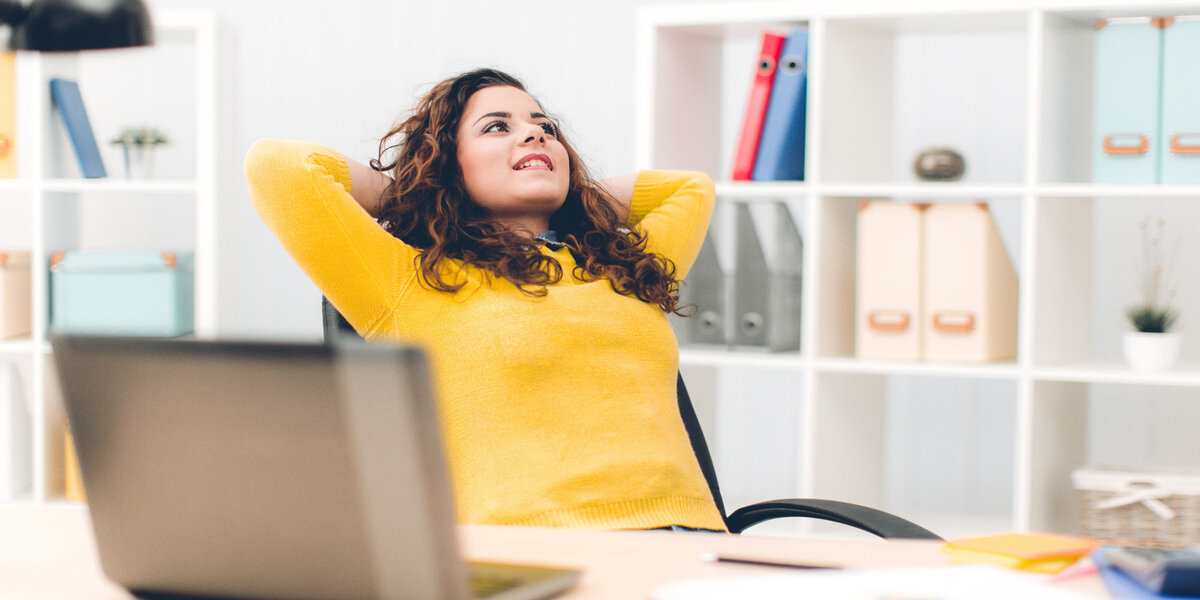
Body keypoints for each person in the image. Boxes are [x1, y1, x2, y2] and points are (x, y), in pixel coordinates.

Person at [245, 68, 724, 532]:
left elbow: (691, 188)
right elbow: (279, 168)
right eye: (497, 127)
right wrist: (419, 194)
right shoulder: (414, 282)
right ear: (448, 165)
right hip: (541, 547)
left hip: (691, 540)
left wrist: (577, 197)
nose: (537, 136)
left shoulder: (625, 266)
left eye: (546, 128)